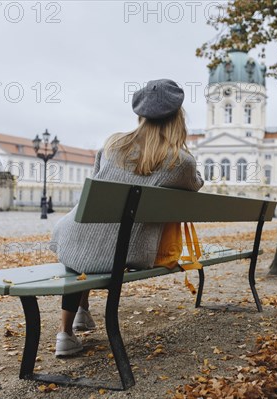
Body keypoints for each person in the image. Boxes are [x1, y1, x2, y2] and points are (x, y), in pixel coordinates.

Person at [50, 79, 204, 356]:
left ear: (140, 115)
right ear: (177, 118)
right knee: (103, 244)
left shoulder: (112, 144)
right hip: (128, 251)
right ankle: (81, 313)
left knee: (88, 247)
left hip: (71, 238)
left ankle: (67, 331)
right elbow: (196, 185)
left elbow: (98, 179)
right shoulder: (180, 161)